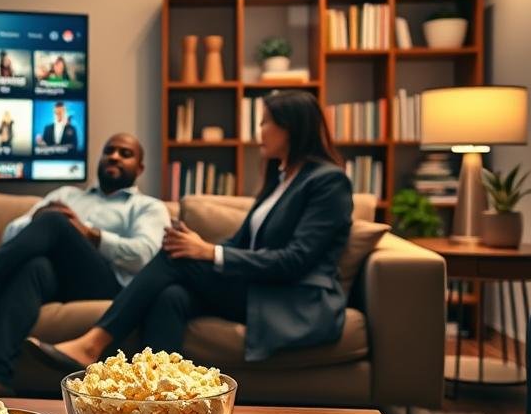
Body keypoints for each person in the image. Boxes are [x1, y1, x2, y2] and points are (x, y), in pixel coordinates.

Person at [27, 90, 353, 372]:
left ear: (291, 127)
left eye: (266, 122)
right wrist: (198, 245)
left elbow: (295, 260)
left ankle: (93, 344)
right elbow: (241, 243)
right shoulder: (279, 181)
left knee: (175, 258)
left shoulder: (328, 181)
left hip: (292, 296)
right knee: (172, 295)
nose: (260, 131)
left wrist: (206, 252)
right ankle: (156, 398)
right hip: (259, 286)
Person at [0, 133, 170, 397]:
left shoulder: (148, 207)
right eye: (109, 151)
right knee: (31, 264)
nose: (114, 157)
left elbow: (146, 256)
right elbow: (12, 237)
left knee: (55, 222)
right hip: (53, 279)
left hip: (108, 286)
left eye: (125, 154)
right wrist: (36, 218)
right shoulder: (68, 194)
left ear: (140, 167)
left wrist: (88, 233)